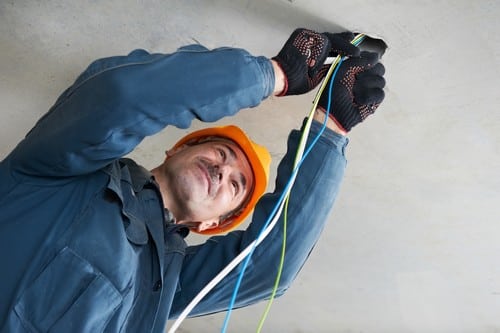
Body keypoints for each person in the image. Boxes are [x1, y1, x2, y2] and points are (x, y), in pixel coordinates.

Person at [0, 28, 385, 332]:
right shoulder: (60, 173)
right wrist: (277, 73)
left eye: (236, 185)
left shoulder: (169, 285)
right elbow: (118, 97)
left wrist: (330, 128)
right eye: (220, 153)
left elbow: (271, 267)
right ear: (174, 150)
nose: (222, 171)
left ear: (211, 225)